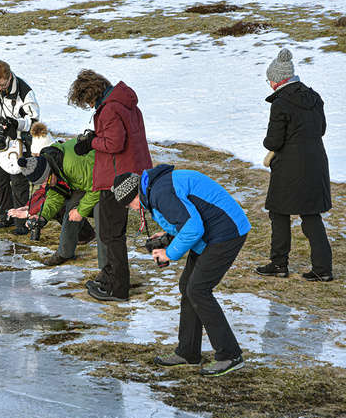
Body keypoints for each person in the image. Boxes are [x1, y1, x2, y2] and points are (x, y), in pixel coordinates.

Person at [113, 166, 250, 377]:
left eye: (129, 204)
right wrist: (168, 233)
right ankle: (188, 353)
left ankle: (230, 356)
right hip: (213, 232)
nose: (132, 209)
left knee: (198, 289)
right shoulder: (155, 188)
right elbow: (186, 215)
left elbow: (194, 227)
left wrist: (169, 253)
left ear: (133, 195)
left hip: (226, 232)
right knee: (188, 287)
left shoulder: (159, 192)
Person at [66, 69, 152, 301]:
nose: (89, 105)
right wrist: (96, 135)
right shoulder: (125, 104)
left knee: (111, 234)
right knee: (111, 232)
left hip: (116, 179)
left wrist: (91, 142)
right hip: (128, 172)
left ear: (91, 93)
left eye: (87, 101)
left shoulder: (111, 107)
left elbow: (115, 143)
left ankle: (117, 288)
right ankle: (109, 277)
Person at [254, 49, 334, 281]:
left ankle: (279, 264)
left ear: (280, 79)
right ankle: (323, 269)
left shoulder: (280, 104)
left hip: (290, 165)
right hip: (316, 161)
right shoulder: (314, 96)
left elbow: (274, 141)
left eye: (269, 79)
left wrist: (268, 145)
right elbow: (321, 130)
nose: (268, 83)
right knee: (311, 216)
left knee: (279, 213)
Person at [0, 60, 46, 235]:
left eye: (2, 85)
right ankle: (5, 217)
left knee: (19, 183)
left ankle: (21, 222)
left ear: (9, 76)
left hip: (17, 142)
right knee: (0, 181)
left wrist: (16, 124)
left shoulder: (24, 91)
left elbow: (34, 120)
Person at [9, 139, 99, 266]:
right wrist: (42, 217)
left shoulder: (71, 164)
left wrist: (81, 211)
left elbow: (97, 186)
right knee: (70, 211)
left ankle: (107, 262)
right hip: (84, 184)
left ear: (49, 172)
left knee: (100, 210)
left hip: (103, 178)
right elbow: (55, 197)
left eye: (45, 181)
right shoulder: (53, 167)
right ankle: (65, 253)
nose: (45, 185)